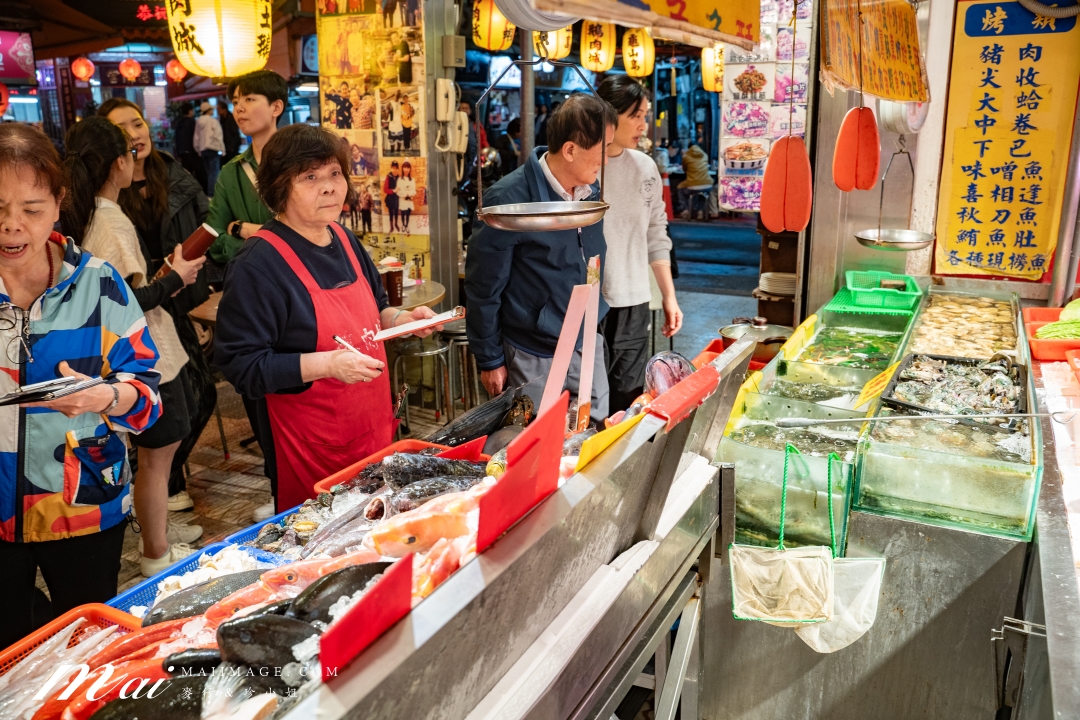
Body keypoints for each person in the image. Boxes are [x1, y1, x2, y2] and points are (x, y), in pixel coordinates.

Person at [214, 124, 442, 512]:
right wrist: (329, 365)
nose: (329, 187)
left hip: (370, 431)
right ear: (278, 188)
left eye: (334, 173)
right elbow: (241, 365)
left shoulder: (343, 238)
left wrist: (403, 320)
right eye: (310, 177)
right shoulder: (258, 264)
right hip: (311, 450)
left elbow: (375, 310)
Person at [0, 123, 162, 646]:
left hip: (83, 499)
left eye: (31, 207)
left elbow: (148, 394)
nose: (11, 227)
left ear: (58, 203)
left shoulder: (97, 282)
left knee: (90, 640)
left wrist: (108, 395)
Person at [63, 116, 206, 576]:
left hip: (127, 358)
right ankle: (155, 553)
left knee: (152, 457)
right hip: (149, 360)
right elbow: (127, 301)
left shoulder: (85, 213)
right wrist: (176, 279)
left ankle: (155, 536)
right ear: (119, 163)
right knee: (156, 459)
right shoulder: (108, 217)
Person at [465, 95, 617, 423]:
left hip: (585, 336)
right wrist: (489, 359)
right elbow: (483, 287)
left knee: (591, 434)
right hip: (533, 349)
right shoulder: (509, 201)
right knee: (534, 442)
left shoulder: (590, 192)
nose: (607, 159)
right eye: (603, 149)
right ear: (571, 149)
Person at [99, 98, 218, 516]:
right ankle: (158, 490)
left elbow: (209, 222)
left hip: (176, 300)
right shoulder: (109, 197)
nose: (136, 133)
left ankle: (164, 481)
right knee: (161, 408)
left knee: (200, 397)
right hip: (140, 306)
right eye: (123, 129)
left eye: (138, 123)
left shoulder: (175, 173)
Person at [206, 69, 288, 522]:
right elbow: (216, 236)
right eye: (235, 100)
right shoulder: (231, 172)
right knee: (260, 396)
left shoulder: (295, 161)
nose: (238, 107)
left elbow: (313, 229)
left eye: (249, 98)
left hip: (295, 294)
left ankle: (297, 489)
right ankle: (279, 492)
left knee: (297, 397)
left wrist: (248, 230)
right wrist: (250, 233)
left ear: (276, 106)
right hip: (251, 294)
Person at [596, 77, 683, 413]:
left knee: (628, 399)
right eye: (636, 115)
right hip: (589, 302)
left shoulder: (645, 167)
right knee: (590, 399)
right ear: (608, 115)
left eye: (645, 115)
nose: (643, 125)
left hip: (634, 301)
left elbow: (656, 235)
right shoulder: (584, 168)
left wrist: (668, 296)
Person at [194, 102, 225, 197]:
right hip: (213, 148)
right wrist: (223, 149)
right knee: (214, 172)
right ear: (208, 110)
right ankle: (213, 194)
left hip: (203, 150)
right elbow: (218, 135)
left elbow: (196, 137)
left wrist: (198, 150)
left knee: (209, 173)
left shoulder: (198, 122)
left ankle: (210, 193)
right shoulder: (213, 121)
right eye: (211, 109)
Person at [398, 160, 416, 235]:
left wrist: (410, 194)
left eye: (408, 167)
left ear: (410, 169)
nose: (406, 169)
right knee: (403, 213)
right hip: (403, 200)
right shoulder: (400, 179)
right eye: (405, 167)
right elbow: (398, 192)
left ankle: (407, 225)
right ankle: (403, 225)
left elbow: (414, 191)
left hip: (409, 201)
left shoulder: (412, 180)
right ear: (402, 168)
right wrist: (404, 194)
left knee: (408, 214)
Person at [383, 160, 400, 232]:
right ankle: (391, 227)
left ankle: (396, 224)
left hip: (397, 198)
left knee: (396, 212)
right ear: (391, 168)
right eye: (393, 168)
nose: (394, 170)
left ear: (397, 169)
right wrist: (393, 191)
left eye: (396, 168)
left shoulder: (399, 177)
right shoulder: (388, 176)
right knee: (391, 213)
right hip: (390, 198)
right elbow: (385, 189)